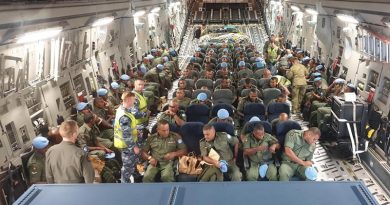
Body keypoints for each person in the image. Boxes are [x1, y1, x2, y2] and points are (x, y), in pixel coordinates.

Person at [114, 92, 141, 183]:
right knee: (127, 167)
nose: (134, 102)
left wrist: (135, 132)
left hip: (126, 144)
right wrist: (134, 147)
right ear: (128, 100)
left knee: (132, 163)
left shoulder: (122, 109)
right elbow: (126, 135)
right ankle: (125, 184)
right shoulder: (124, 116)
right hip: (126, 145)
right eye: (133, 100)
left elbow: (127, 129)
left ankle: (136, 177)